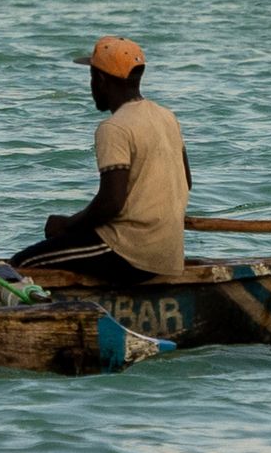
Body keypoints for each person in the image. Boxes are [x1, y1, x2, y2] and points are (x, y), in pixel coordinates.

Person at [21, 35, 189, 283]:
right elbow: (187, 181)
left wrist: (67, 225)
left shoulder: (114, 127)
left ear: (99, 79)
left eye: (91, 77)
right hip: (169, 254)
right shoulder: (167, 117)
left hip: (130, 252)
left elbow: (111, 203)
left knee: (24, 263)